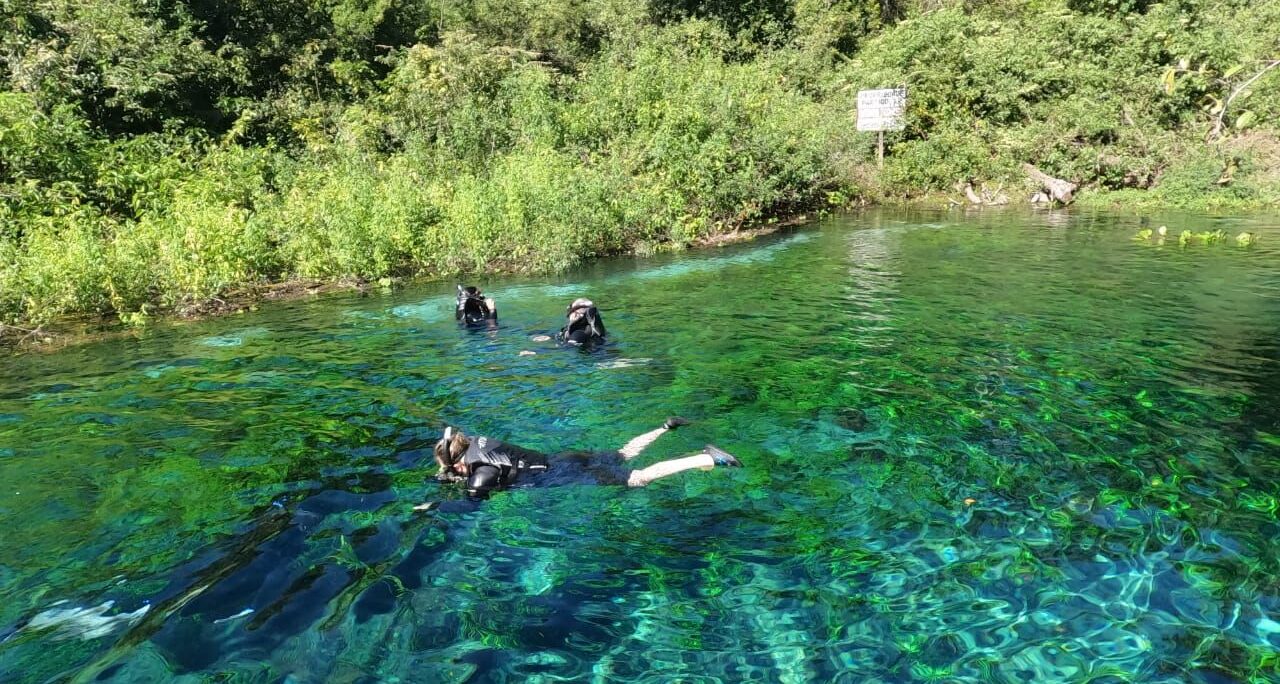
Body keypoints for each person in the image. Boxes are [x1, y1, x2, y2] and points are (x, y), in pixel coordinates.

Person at [431, 418, 742, 499]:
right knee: (623, 454)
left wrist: (439, 498)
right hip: (563, 458)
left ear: (458, 462)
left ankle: (707, 459)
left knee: (639, 479)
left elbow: (473, 500)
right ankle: (664, 428)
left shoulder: (480, 471)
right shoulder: (479, 444)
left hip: (561, 475)